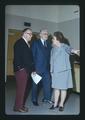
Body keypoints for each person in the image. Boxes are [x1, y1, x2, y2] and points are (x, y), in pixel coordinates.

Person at [49, 31, 79, 111]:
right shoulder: (53, 48)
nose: (52, 39)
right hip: (55, 72)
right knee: (56, 88)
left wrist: (74, 51)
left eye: (53, 38)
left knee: (63, 88)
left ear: (58, 39)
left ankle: (61, 104)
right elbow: (51, 60)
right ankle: (55, 104)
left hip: (63, 71)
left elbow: (70, 49)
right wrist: (51, 71)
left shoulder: (64, 46)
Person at [13, 28, 35, 112]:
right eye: (30, 34)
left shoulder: (25, 43)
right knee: (21, 89)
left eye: (31, 34)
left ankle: (19, 106)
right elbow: (19, 58)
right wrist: (20, 68)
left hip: (24, 70)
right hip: (21, 70)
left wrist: (32, 69)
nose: (31, 36)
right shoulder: (20, 43)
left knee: (22, 89)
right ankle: (18, 107)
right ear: (24, 34)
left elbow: (27, 58)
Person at [31, 29, 53, 106]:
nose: (46, 35)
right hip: (37, 69)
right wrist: (33, 69)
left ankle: (47, 98)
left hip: (46, 69)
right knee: (35, 85)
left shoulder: (49, 44)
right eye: (44, 34)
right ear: (40, 35)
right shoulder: (35, 43)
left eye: (47, 34)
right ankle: (34, 99)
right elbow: (32, 56)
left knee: (47, 84)